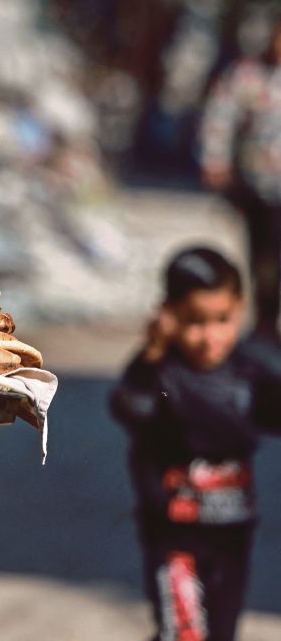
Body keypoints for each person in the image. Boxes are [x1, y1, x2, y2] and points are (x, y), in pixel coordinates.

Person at [110, 247, 281, 641]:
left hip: (232, 539)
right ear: (168, 315)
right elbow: (131, 407)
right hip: (174, 541)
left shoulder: (249, 373)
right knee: (183, 635)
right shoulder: (160, 374)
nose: (209, 337)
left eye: (223, 320)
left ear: (241, 308)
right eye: (194, 322)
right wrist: (152, 353)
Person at [198, 17, 281, 338]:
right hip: (259, 185)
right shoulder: (246, 75)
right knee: (264, 257)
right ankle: (265, 323)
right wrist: (215, 161)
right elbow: (219, 118)